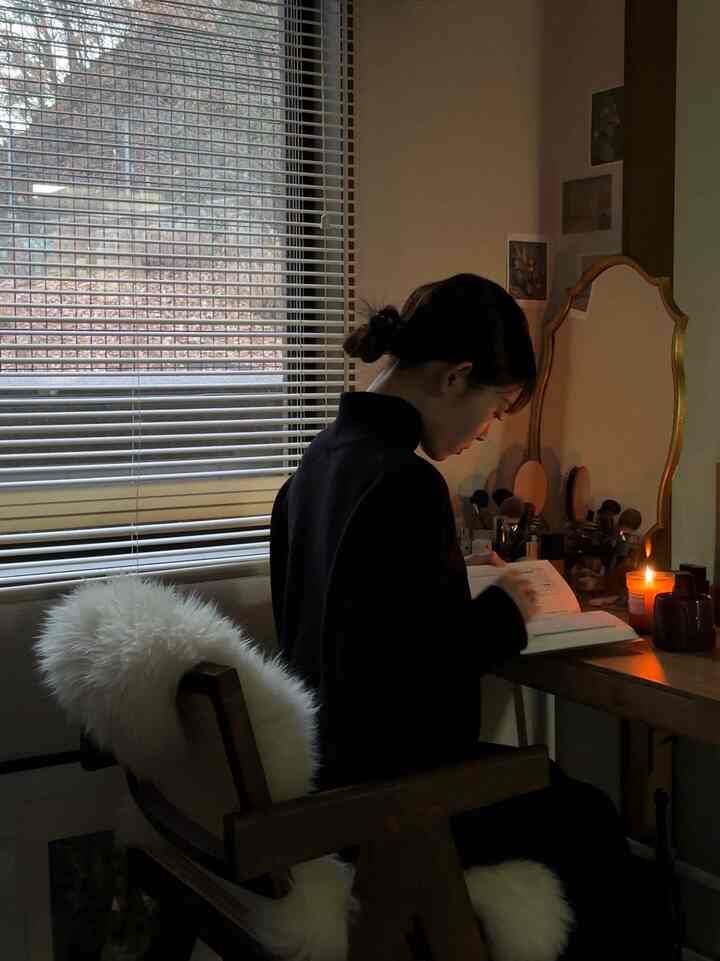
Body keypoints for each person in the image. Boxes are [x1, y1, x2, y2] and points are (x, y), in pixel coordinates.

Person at [270, 273, 659, 960]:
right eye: (496, 408)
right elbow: (435, 694)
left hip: (328, 776)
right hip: (394, 799)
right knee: (594, 821)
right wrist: (508, 611)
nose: (485, 431)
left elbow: (357, 648)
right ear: (455, 378)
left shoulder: (313, 467)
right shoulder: (406, 483)